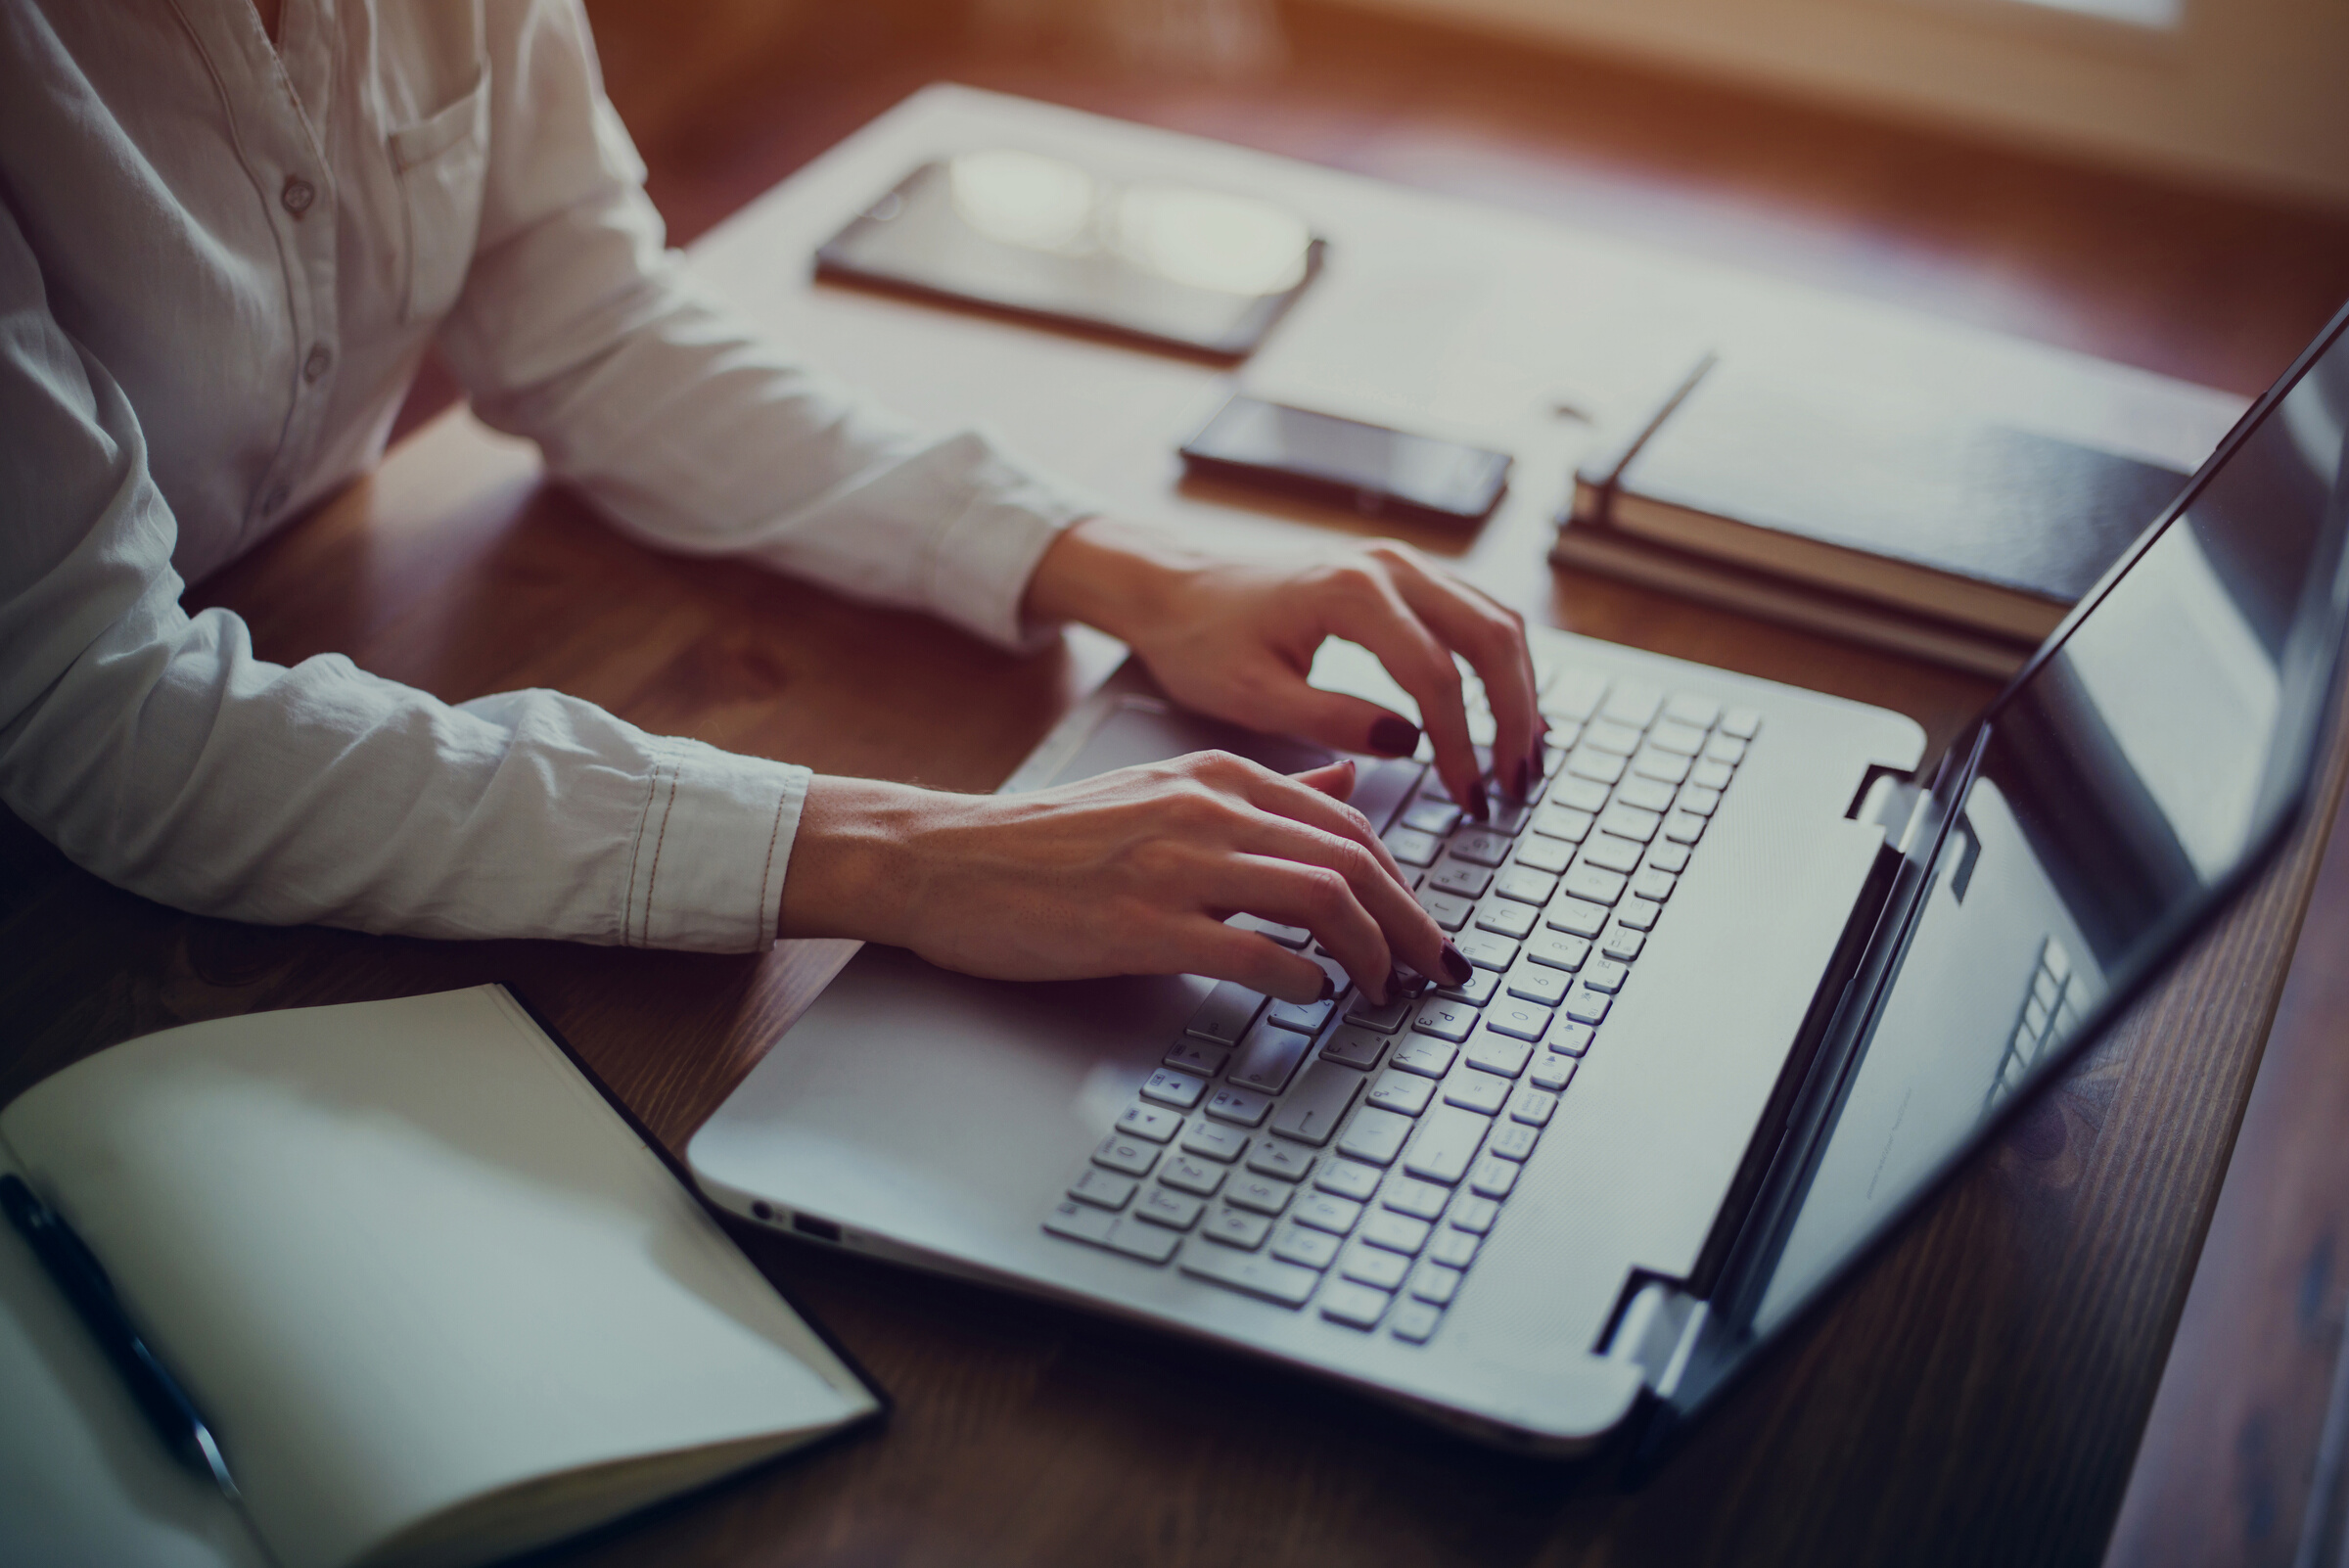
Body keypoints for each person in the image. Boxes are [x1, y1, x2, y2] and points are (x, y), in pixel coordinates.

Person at [0, 0, 1541, 1010]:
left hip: (298, 671)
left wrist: (1124, 571)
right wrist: (903, 853)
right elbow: (94, 700)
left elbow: (587, 320)